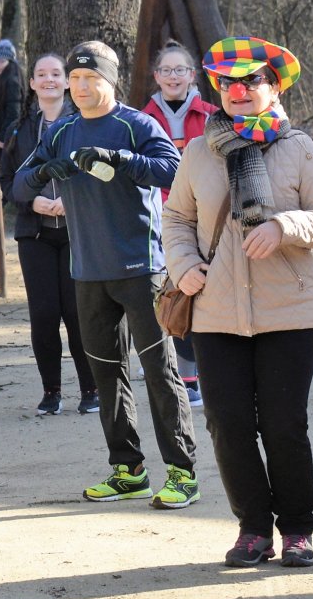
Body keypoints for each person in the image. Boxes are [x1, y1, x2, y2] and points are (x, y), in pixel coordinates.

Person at [165, 38, 313, 568]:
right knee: (227, 424)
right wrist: (183, 266)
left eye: (252, 81)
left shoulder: (299, 148)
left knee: (284, 424)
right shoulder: (198, 151)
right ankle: (252, 529)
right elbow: (176, 219)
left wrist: (283, 226)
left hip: (290, 311)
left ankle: (297, 529)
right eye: (228, 83)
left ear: (275, 88)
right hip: (215, 310)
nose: (239, 91)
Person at [12, 40, 199, 510]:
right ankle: (128, 470)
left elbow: (173, 171)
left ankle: (182, 472)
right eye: (74, 79)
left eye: (89, 78)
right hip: (87, 271)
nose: (79, 87)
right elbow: (19, 184)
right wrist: (43, 173)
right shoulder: (62, 130)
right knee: (107, 375)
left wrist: (122, 160)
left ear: (110, 81)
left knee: (159, 371)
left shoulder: (137, 125)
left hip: (142, 269)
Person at [2, 53, 96, 416]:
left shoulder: (85, 123)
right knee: (43, 315)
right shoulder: (19, 129)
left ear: (67, 82)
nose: (49, 80)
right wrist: (33, 203)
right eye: (41, 74)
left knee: (77, 313)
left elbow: (98, 176)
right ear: (32, 83)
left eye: (56, 74)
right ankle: (51, 392)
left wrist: (71, 204)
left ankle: (90, 390)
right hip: (35, 234)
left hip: (78, 232)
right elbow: (7, 182)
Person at [140, 42, 219, 407]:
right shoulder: (142, 119)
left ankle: (205, 371)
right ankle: (184, 377)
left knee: (207, 291)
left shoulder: (213, 116)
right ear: (157, 77)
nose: (174, 77)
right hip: (161, 218)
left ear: (192, 76)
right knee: (175, 291)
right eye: (167, 71)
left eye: (180, 70)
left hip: (207, 217)